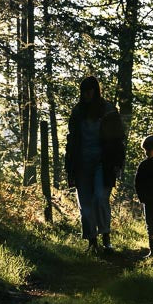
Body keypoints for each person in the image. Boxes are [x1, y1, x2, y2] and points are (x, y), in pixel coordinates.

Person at [65, 76, 125, 253]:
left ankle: (106, 237)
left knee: (100, 198)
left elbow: (117, 140)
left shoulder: (108, 110)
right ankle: (92, 241)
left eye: (89, 91)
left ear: (95, 91)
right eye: (84, 91)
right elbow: (71, 141)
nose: (86, 95)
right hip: (81, 164)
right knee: (85, 205)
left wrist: (117, 163)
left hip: (103, 163)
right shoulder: (77, 112)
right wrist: (70, 168)